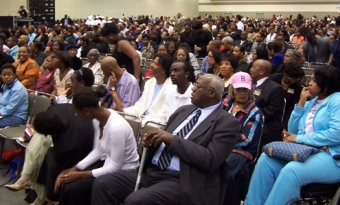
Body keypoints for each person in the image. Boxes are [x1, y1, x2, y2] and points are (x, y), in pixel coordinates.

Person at [91, 74, 239, 205]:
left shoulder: (226, 122)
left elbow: (210, 159)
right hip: (152, 171)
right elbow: (164, 138)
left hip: (182, 180)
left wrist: (172, 140)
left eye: (197, 87)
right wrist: (152, 141)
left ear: (211, 93)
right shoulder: (184, 111)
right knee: (103, 184)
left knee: (136, 201)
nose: (192, 89)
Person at [245, 66, 340, 205]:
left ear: (326, 85)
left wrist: (300, 139)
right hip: (307, 152)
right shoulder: (312, 102)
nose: (309, 83)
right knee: (265, 160)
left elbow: (338, 134)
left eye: (315, 81)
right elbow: (294, 130)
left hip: (335, 157)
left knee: (292, 170)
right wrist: (300, 105)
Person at [54, 87, 140, 205]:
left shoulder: (116, 128)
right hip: (108, 166)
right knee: (68, 184)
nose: (76, 116)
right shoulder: (97, 119)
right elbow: (98, 150)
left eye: (76, 113)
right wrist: (75, 169)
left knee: (73, 189)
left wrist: (80, 175)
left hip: (124, 173)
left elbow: (115, 167)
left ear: (86, 111)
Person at [222, 72, 263, 205]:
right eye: (238, 89)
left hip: (240, 151)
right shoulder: (225, 103)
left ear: (250, 90)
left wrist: (221, 141)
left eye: (245, 89)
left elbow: (246, 140)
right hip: (220, 144)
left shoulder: (255, 112)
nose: (242, 93)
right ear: (232, 89)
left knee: (222, 167)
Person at [122, 53, 173, 125]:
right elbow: (140, 105)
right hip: (142, 120)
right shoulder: (149, 83)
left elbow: (163, 116)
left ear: (164, 70)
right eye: (152, 62)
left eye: (156, 64)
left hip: (156, 124)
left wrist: (143, 123)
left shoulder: (171, 88)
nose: (151, 65)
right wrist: (123, 112)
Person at [249, 59, 285, 147]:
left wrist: (250, 112)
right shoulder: (249, 84)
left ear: (261, 72)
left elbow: (273, 111)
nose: (250, 69)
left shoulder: (275, 88)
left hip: (265, 126)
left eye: (254, 67)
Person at [269, 60, 304, 129]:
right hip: (270, 117)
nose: (293, 81)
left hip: (284, 119)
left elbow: (292, 108)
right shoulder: (272, 79)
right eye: (290, 78)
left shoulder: (297, 88)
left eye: (295, 79)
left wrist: (285, 127)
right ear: (285, 74)